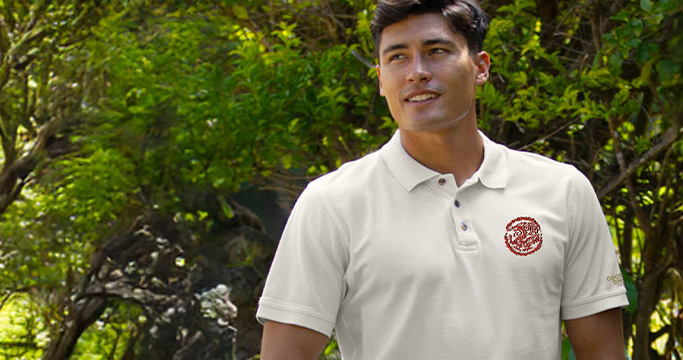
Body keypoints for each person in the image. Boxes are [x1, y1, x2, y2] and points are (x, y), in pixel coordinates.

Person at [254, 0, 628, 359]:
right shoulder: (332, 204)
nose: (416, 71)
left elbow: (602, 352)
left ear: (480, 67)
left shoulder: (562, 191)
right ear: (381, 79)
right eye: (397, 56)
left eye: (436, 50)